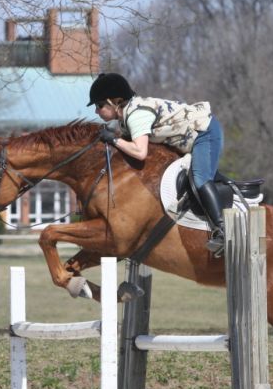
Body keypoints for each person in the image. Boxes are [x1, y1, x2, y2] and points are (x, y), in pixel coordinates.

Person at [88, 72, 226, 254]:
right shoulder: (125, 118)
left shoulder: (136, 115)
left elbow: (140, 152)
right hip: (189, 138)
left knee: (200, 178)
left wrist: (113, 140)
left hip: (205, 132)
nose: (96, 111)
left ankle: (222, 230)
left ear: (115, 101)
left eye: (99, 105)